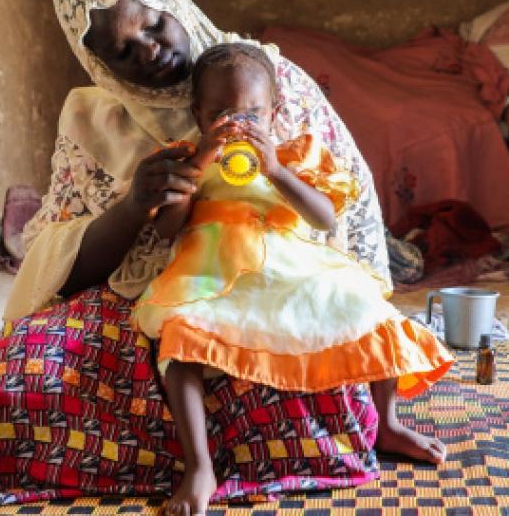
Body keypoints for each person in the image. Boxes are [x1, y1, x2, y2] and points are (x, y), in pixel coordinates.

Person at [0, 0, 427, 512]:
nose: (151, 52)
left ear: (170, 1)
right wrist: (134, 206)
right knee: (15, 388)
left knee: (325, 404)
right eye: (123, 52)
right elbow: (58, 269)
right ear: (98, 66)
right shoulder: (93, 120)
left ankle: (199, 456)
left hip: (280, 288)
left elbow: (343, 219)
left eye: (155, 25)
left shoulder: (266, 78)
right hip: (150, 302)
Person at [134, 42, 453, 515]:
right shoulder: (185, 161)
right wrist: (201, 162)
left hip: (292, 266)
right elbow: (166, 228)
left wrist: (277, 169)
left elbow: (324, 218)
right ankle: (199, 466)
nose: (238, 124)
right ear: (199, 116)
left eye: (253, 114)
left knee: (371, 308)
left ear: (274, 113)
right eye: (221, 113)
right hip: (213, 270)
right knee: (178, 339)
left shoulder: (294, 155)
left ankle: (386, 422)